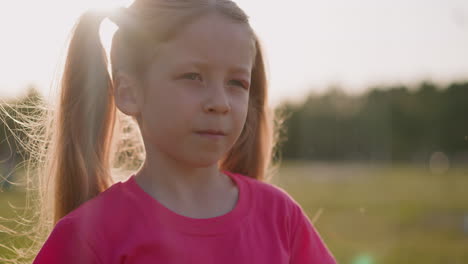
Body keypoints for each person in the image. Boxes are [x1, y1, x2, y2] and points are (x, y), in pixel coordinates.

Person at [32, 0, 337, 263]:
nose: (220, 103)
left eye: (236, 83)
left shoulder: (280, 217)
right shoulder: (88, 235)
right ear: (129, 93)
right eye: (193, 76)